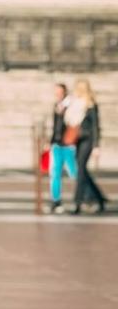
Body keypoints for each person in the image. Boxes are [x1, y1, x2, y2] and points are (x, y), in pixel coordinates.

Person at [68, 79, 106, 215]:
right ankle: (99, 198)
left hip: (88, 139)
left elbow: (96, 126)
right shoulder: (75, 104)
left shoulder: (90, 105)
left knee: (81, 170)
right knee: (82, 170)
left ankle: (77, 202)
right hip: (78, 139)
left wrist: (96, 145)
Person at [48, 82, 77, 214]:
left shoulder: (71, 105)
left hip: (69, 144)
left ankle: (83, 198)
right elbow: (56, 126)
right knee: (55, 173)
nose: (57, 95)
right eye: (56, 92)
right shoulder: (56, 105)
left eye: (59, 92)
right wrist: (51, 141)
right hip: (57, 144)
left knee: (74, 173)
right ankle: (56, 201)